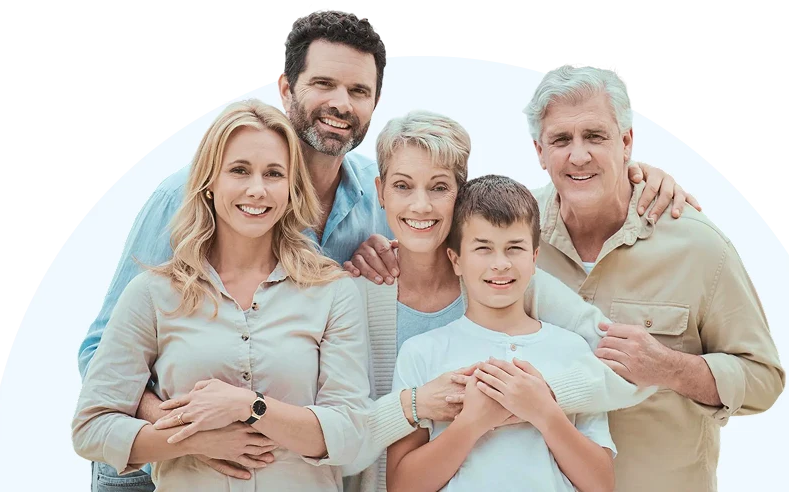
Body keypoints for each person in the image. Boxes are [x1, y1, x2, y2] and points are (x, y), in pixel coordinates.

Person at [78, 9, 695, 490]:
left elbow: (503, 217)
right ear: (285, 86)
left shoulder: (390, 219)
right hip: (155, 473)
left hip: (312, 474)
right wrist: (185, 434)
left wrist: (628, 175)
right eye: (322, 83)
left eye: (358, 90)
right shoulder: (192, 198)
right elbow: (100, 358)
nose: (340, 104)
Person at [339, 111, 656, 492]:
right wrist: (421, 406)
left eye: (439, 187)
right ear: (381, 191)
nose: (421, 205)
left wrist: (539, 402)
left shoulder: (526, 288)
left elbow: (625, 366)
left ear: (459, 194)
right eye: (403, 186)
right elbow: (342, 435)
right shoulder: (364, 297)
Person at [509, 63, 784, 491]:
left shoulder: (699, 247)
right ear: (539, 152)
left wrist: (669, 368)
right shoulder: (510, 237)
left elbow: (764, 380)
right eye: (560, 139)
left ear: (626, 142)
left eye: (595, 136)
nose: (577, 155)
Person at [72, 99, 373, 491]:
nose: (257, 189)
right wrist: (194, 440)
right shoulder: (153, 294)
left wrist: (251, 406)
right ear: (210, 182)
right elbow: (92, 428)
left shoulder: (331, 292)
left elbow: (352, 435)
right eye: (239, 171)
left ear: (291, 188)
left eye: (274, 174)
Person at [386, 174, 618, 492]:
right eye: (483, 248)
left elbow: (602, 483)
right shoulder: (422, 352)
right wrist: (472, 423)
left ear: (534, 257)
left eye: (514, 248)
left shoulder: (573, 349)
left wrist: (544, 412)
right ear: (456, 260)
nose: (500, 264)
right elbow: (402, 485)